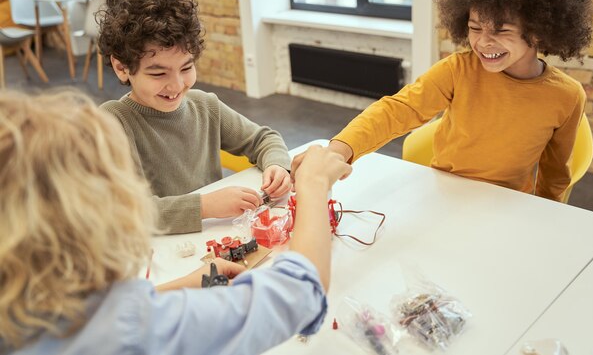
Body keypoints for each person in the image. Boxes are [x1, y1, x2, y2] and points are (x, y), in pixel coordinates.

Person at [0, 90, 352, 355]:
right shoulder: (130, 330)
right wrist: (313, 185)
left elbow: (93, 312)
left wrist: (174, 287)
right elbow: (298, 295)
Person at [292, 0, 592, 202]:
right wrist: (338, 150)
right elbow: (398, 110)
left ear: (538, 32)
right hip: (445, 194)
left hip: (509, 203)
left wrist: (549, 218)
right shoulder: (458, 70)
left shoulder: (566, 96)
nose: (483, 42)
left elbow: (555, 176)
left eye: (501, 31)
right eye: (475, 28)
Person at [98, 0, 291, 234]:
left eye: (186, 68)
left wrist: (277, 165)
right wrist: (205, 206)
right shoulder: (113, 123)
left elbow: (263, 138)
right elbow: (125, 212)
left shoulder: (204, 106)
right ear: (122, 68)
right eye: (158, 74)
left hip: (215, 235)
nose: (176, 85)